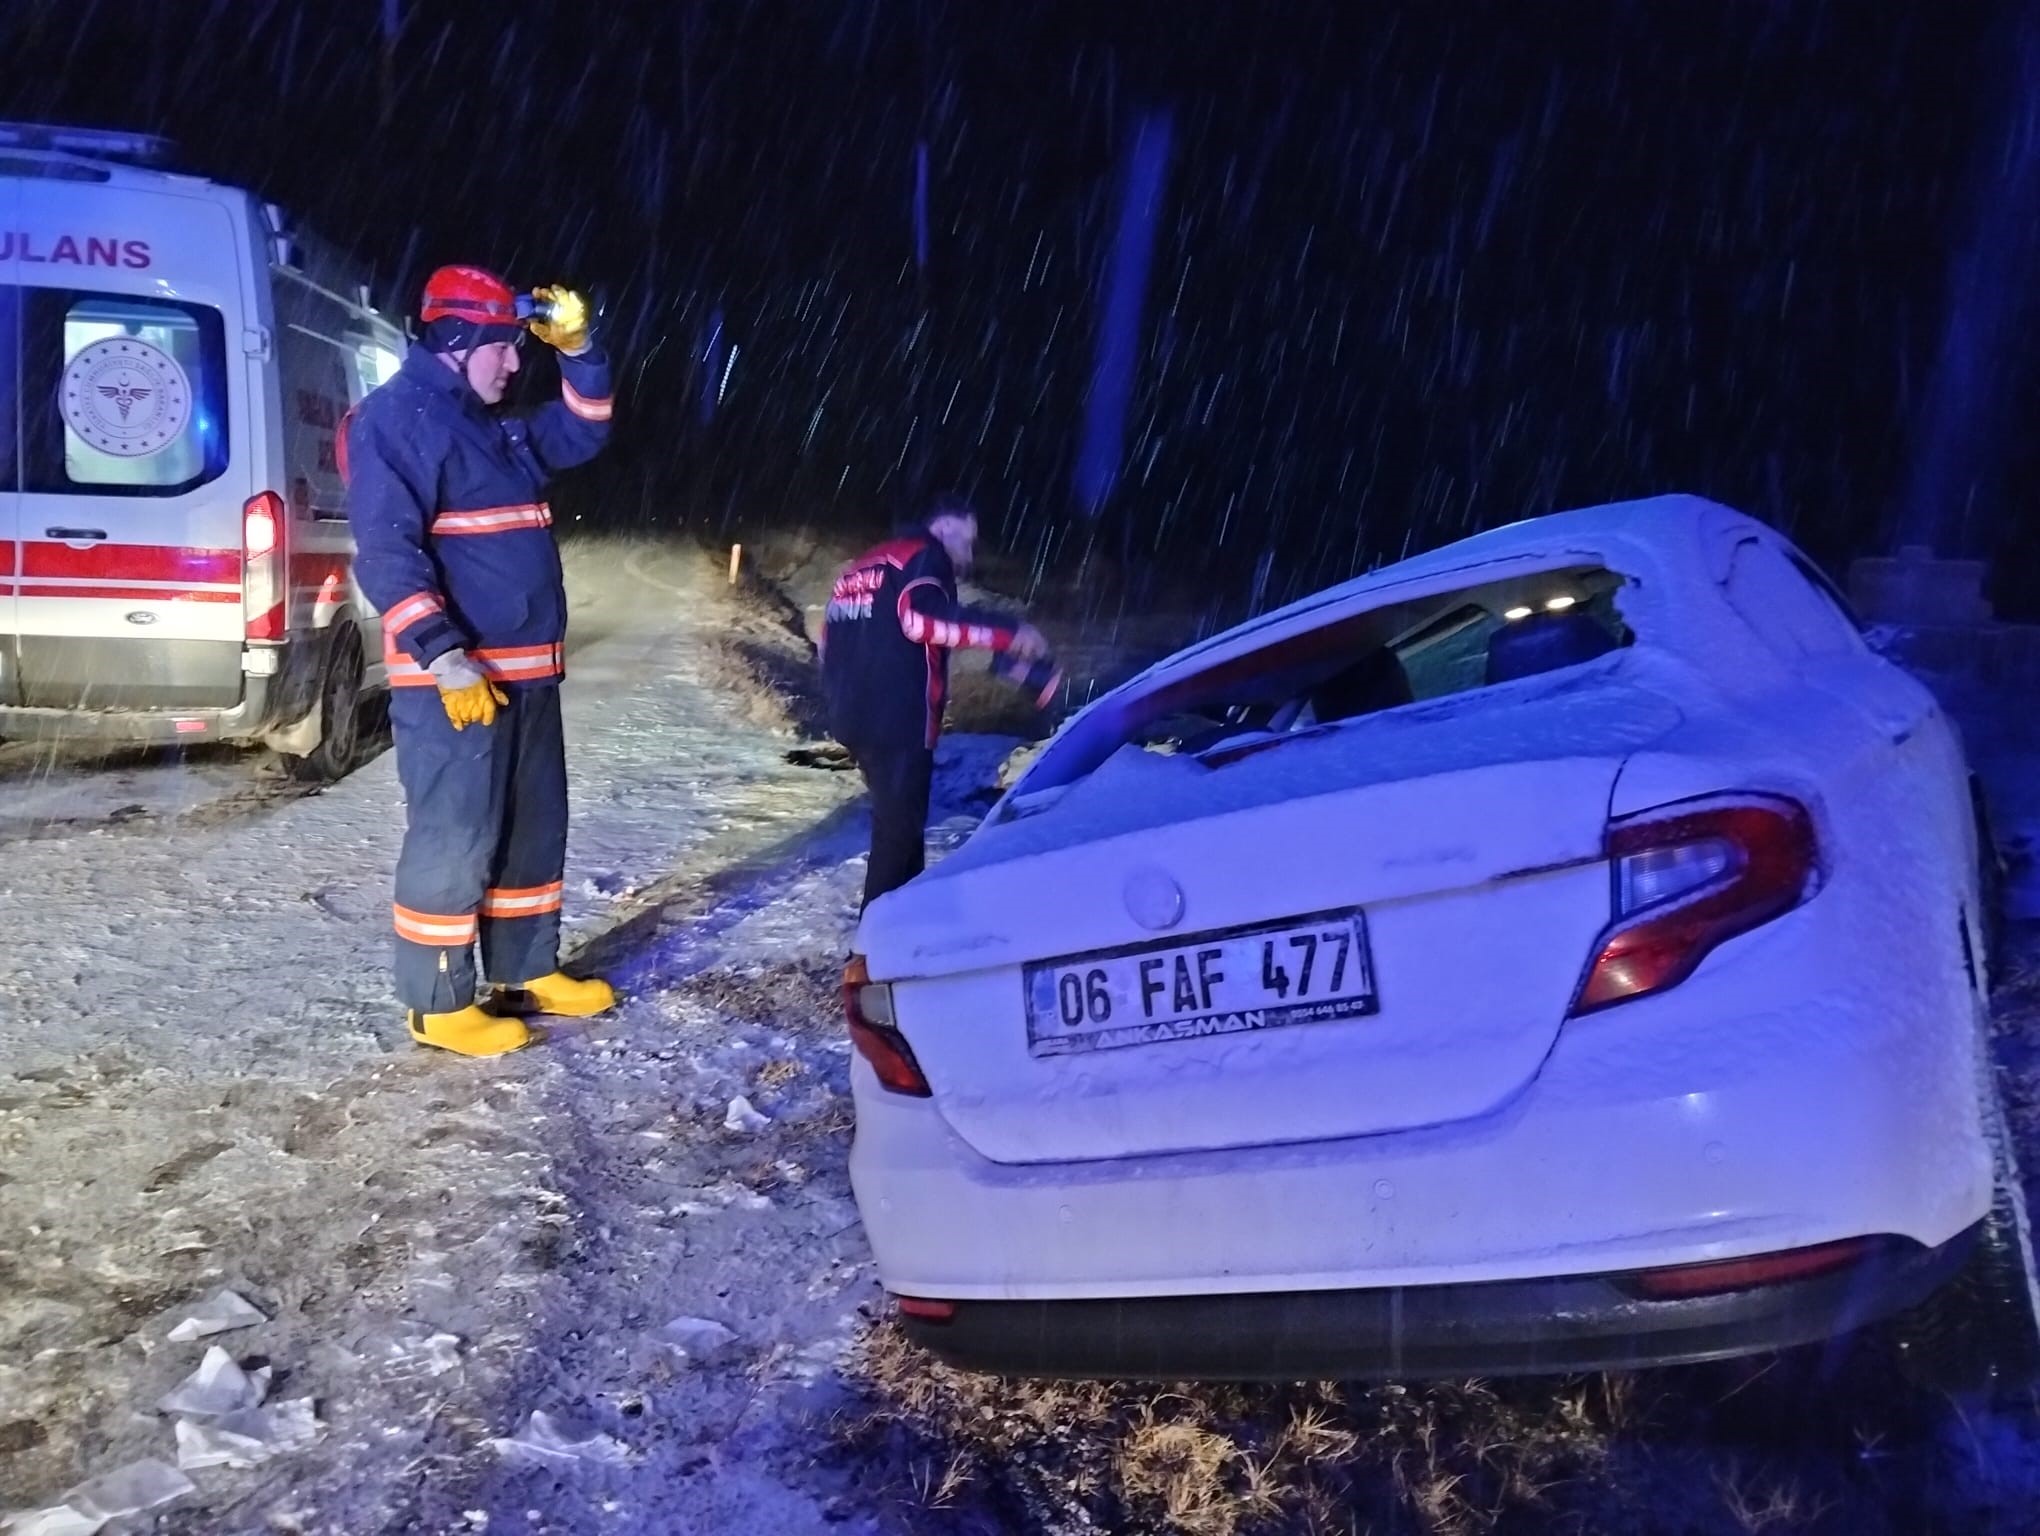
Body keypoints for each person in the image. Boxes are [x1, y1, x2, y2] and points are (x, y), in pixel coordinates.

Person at [341, 265, 617, 1057]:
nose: (513, 363)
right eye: (501, 348)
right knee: (455, 836)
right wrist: (443, 655)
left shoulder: (489, 423)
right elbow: (387, 555)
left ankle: (523, 971)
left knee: (533, 831)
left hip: (528, 674)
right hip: (457, 681)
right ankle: (436, 1004)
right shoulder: (397, 421)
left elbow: (584, 429)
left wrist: (581, 350)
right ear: (457, 343)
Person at [820, 497, 1056, 910]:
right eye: (967, 541)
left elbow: (827, 641)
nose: (967, 556)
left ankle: (909, 918)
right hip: (897, 716)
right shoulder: (925, 554)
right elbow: (922, 622)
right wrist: (1009, 632)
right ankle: (872, 948)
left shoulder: (865, 565)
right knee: (896, 833)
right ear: (945, 526)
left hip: (851, 713)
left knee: (902, 823)